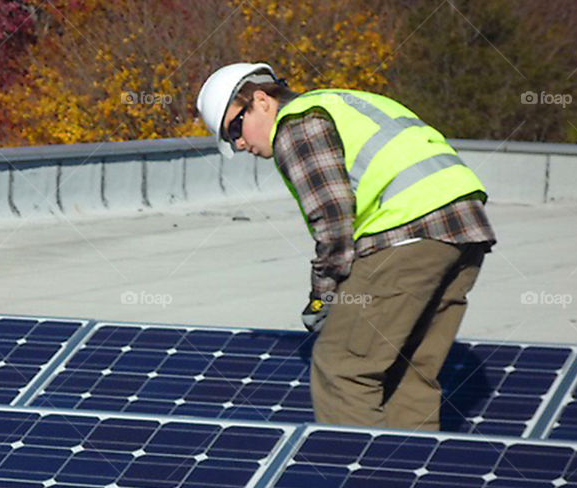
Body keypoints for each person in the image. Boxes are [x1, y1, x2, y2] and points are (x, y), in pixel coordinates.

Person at [197, 63, 497, 432]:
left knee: (341, 368)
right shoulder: (346, 101)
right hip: (464, 231)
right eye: (230, 140)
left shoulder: (297, 124)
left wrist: (321, 298)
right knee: (409, 375)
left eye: (233, 128)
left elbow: (333, 217)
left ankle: (362, 482)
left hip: (406, 233)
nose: (239, 144)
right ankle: (412, 485)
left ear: (261, 100)